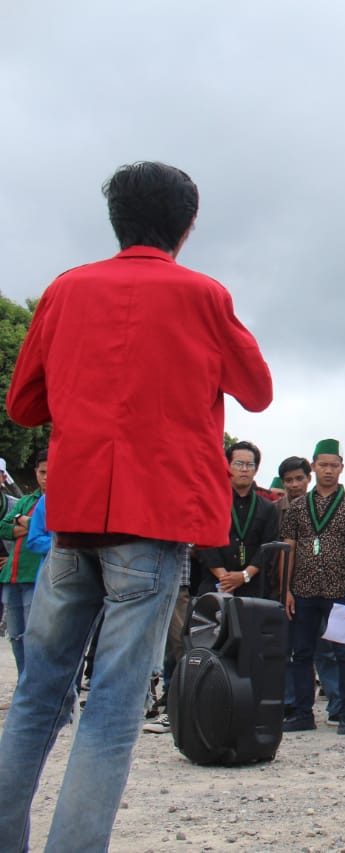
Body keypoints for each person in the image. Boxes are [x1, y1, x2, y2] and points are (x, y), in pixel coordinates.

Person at [0, 161, 272, 852]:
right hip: (154, 524)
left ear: (116, 220)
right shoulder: (203, 294)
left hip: (73, 517)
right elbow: (258, 390)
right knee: (114, 708)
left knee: (37, 694)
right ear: (186, 227)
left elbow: (23, 402)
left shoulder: (65, 288)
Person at [280, 438, 345, 736]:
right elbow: (289, 547)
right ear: (313, 466)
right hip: (304, 589)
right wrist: (287, 589)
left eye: (334, 465)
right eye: (323, 465)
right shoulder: (296, 508)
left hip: (341, 589)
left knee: (344, 652)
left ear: (342, 468)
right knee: (301, 653)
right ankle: (303, 712)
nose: (328, 471)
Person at [193, 441, 280, 599]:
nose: (244, 469)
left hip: (252, 587)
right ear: (227, 465)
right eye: (239, 464)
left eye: (250, 464)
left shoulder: (268, 508)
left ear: (256, 469)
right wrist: (224, 577)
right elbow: (204, 542)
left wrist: (244, 576)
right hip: (215, 584)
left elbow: (268, 547)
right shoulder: (212, 502)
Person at [0, 450, 45, 675]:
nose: (45, 477)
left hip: (35, 575)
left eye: (50, 472)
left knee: (33, 633)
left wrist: (23, 523)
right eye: (41, 472)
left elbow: (50, 532)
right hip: (12, 574)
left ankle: (33, 682)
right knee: (16, 634)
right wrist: (24, 523)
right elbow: (3, 527)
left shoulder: (58, 500)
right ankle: (23, 681)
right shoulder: (25, 501)